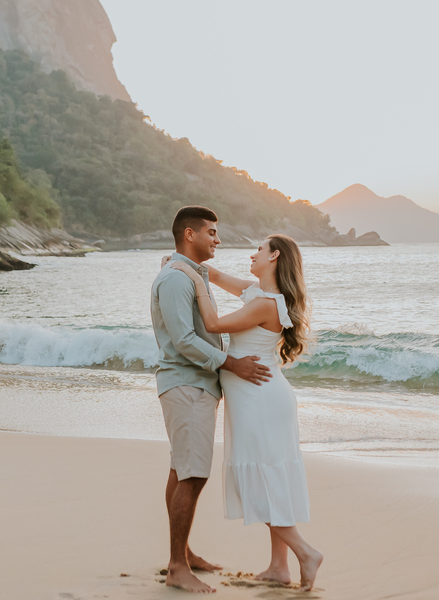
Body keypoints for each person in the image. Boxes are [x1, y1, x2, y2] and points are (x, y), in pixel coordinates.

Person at [169, 232, 324, 591]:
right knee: (272, 476)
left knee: (261, 481)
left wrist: (190, 277)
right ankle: (278, 567)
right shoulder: (257, 293)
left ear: (274, 257)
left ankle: (305, 553)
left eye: (258, 249)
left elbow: (212, 323)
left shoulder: (265, 304)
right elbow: (218, 277)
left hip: (260, 400)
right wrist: (189, 264)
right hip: (262, 396)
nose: (252, 255)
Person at [151, 206, 273, 594]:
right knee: (193, 473)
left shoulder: (191, 273)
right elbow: (185, 341)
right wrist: (232, 363)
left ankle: (183, 554)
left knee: (181, 469)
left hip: (196, 385)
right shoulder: (174, 279)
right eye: (212, 233)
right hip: (185, 383)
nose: (217, 240)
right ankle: (176, 567)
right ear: (190, 234)